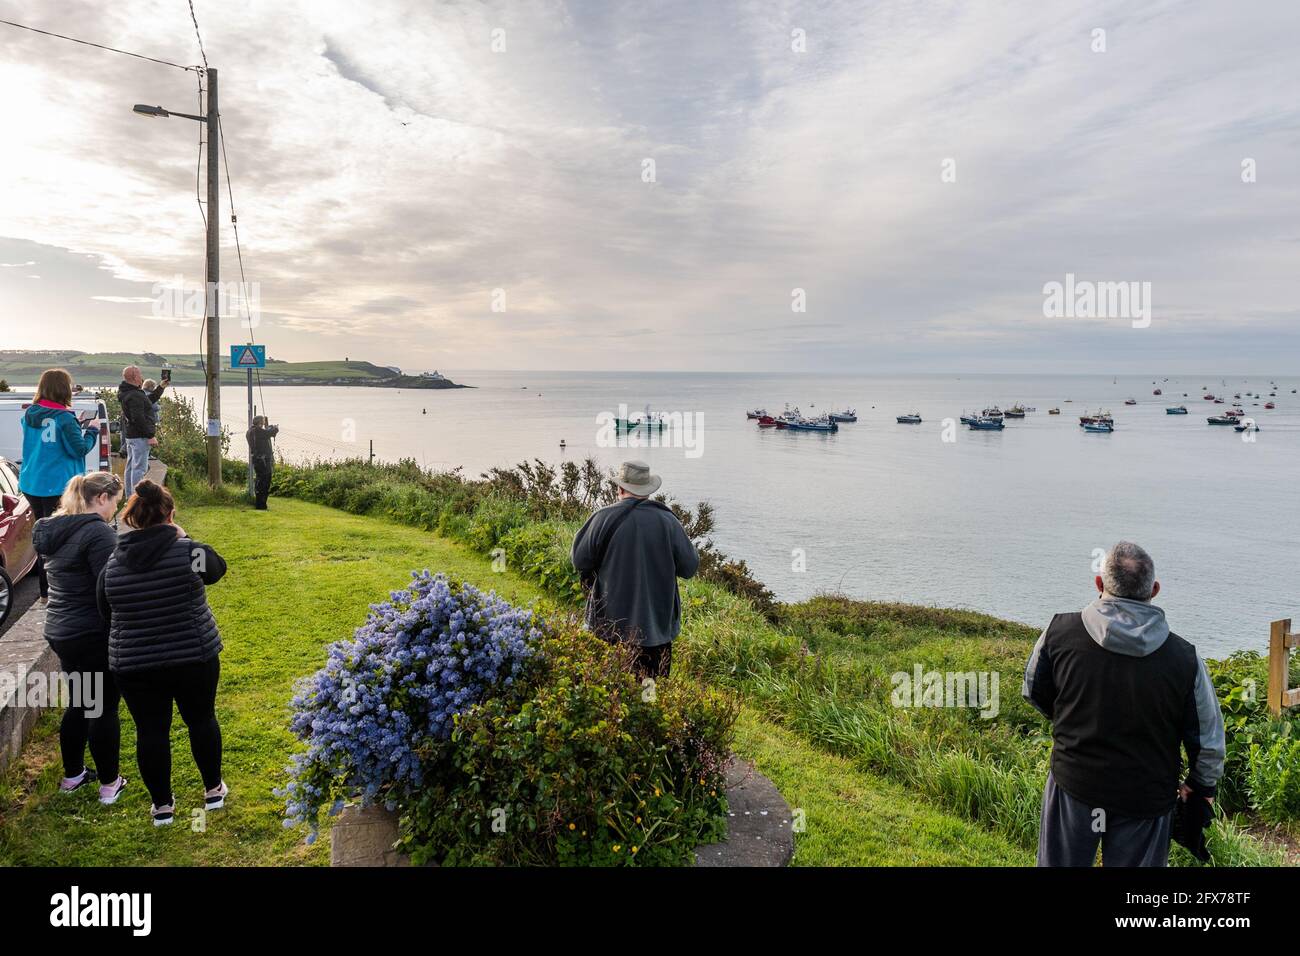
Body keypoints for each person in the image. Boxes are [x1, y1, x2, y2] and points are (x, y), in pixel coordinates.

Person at [1022, 541, 1225, 867]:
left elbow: (1034, 690)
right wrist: (1200, 786)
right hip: (1145, 798)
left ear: (1100, 584)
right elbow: (1208, 739)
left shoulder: (1059, 631)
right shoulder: (1185, 660)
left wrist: (1073, 721)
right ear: (1154, 590)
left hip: (1075, 785)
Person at [97, 479, 228, 826]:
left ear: (133, 518)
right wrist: (183, 538)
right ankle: (213, 789)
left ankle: (162, 806)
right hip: (193, 654)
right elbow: (216, 569)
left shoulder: (112, 562)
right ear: (170, 514)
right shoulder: (188, 551)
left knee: (151, 731)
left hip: (135, 663)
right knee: (201, 719)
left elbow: (105, 610)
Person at [32, 471, 127, 804]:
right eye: (115, 502)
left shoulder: (54, 527)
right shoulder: (98, 533)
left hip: (61, 629)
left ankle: (73, 775)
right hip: (91, 632)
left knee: (81, 702)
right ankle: (109, 784)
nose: (116, 510)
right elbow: (109, 587)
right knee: (102, 708)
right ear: (101, 498)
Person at [571, 460, 699, 679]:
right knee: (649, 692)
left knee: (608, 688)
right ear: (648, 490)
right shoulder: (668, 521)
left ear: (620, 488)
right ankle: (646, 707)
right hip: (655, 630)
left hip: (608, 626)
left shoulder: (601, 518)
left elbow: (579, 561)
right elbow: (689, 568)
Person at [18, 368, 100, 602]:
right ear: (64, 389)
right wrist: (92, 429)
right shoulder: (64, 418)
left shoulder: (29, 414)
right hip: (58, 484)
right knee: (61, 539)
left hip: (32, 482)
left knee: (44, 535)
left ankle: (45, 592)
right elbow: (79, 449)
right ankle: (54, 590)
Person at [117, 366, 164, 498]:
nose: (141, 376)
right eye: (139, 374)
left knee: (131, 467)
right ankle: (137, 498)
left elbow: (148, 402)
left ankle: (130, 496)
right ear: (135, 377)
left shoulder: (130, 392)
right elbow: (138, 418)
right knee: (139, 468)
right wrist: (150, 435)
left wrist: (161, 387)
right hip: (139, 437)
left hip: (131, 436)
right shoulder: (134, 395)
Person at [245, 415, 279, 510]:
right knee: (265, 481)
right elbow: (271, 433)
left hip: (256, 459)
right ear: (260, 422)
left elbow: (266, 433)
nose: (264, 423)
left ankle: (259, 503)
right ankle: (261, 505)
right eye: (263, 422)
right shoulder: (258, 431)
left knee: (259, 481)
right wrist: (275, 428)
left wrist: (269, 430)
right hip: (263, 460)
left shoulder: (249, 431)